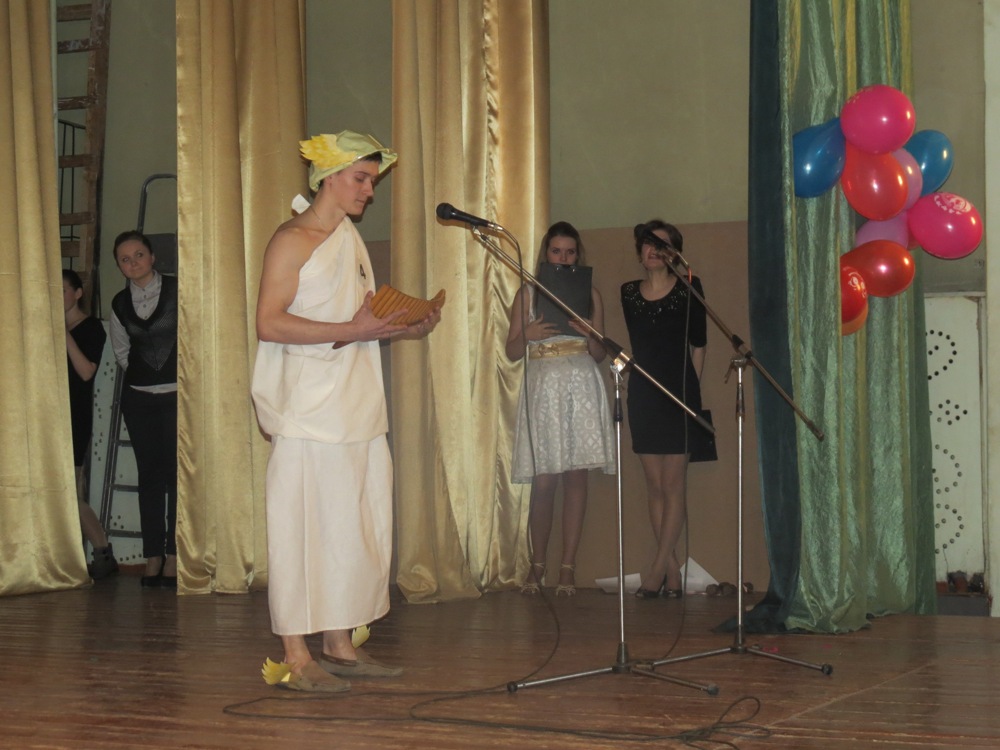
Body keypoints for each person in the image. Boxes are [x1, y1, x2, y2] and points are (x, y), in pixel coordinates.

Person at [251, 131, 439, 693]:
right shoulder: (292, 239)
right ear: (328, 177)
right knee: (301, 530)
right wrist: (356, 329)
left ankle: (338, 646)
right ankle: (296, 655)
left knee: (350, 530)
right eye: (361, 178)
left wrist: (404, 327)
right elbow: (269, 323)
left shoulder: (348, 240)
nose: (369, 191)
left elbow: (357, 326)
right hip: (307, 412)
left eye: (372, 181)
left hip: (357, 408)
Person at [506, 222, 615, 596]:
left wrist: (590, 334)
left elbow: (599, 354)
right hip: (544, 389)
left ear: (577, 255)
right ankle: (537, 564)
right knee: (545, 480)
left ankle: (567, 567)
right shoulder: (527, 294)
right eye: (557, 251)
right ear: (545, 253)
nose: (564, 259)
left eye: (570, 252)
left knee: (576, 479)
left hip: (581, 385)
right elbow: (511, 351)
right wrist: (528, 335)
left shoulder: (591, 295)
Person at [620, 220, 707, 599]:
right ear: (640, 251)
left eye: (662, 244)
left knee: (673, 486)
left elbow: (698, 345)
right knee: (654, 487)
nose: (653, 250)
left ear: (674, 252)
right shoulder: (628, 293)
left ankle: (656, 570)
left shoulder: (690, 286)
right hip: (643, 394)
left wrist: (690, 392)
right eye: (648, 244)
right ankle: (671, 569)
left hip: (680, 394)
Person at [109, 230, 178, 589]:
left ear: (152, 257)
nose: (133, 262)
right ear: (120, 266)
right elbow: (122, 351)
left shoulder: (179, 288)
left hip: (178, 396)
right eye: (125, 259)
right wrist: (143, 377)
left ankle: (175, 554)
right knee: (149, 475)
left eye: (138, 255)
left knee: (178, 476)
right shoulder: (120, 303)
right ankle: (153, 555)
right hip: (139, 400)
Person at [63, 269, 119, 579]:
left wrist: (62, 333)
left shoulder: (92, 328)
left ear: (78, 293)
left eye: (62, 291)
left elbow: (86, 372)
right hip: (50, 416)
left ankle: (102, 552)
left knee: (71, 493)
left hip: (74, 417)